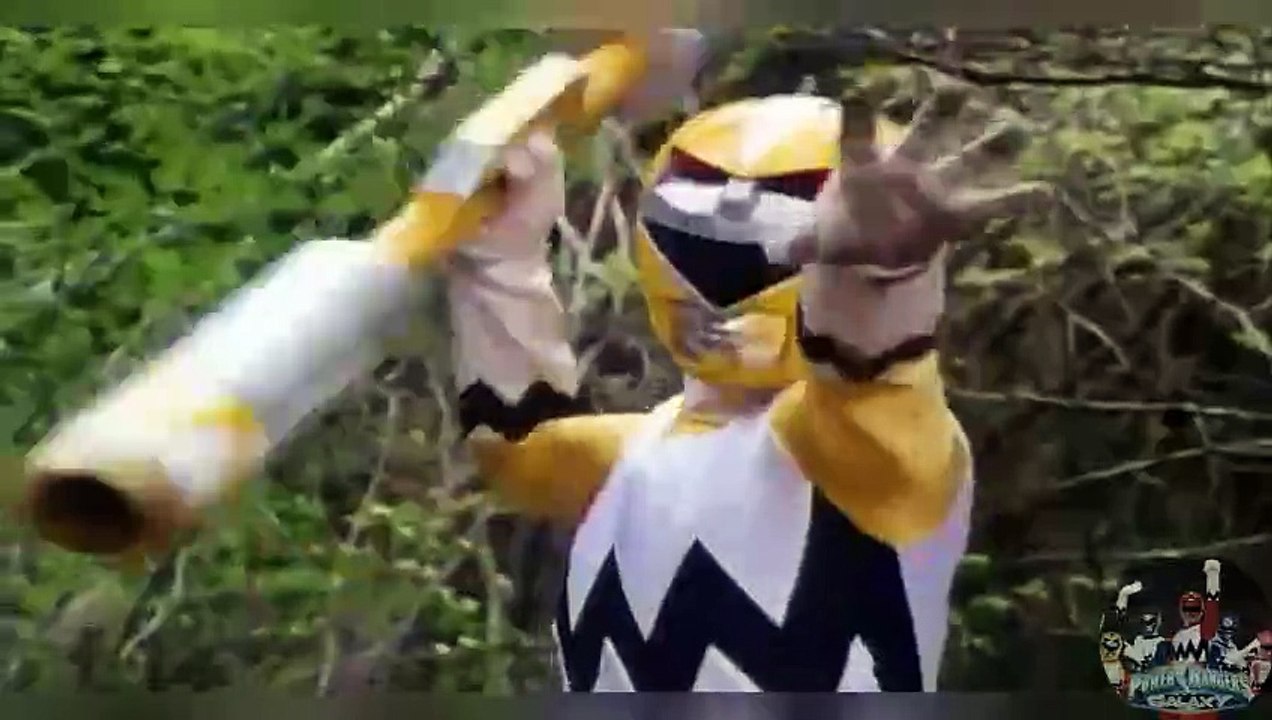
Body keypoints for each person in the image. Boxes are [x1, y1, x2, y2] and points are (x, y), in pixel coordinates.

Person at [441, 54, 1048, 690]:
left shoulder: (865, 454)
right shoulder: (643, 450)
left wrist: (878, 278)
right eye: (694, 228)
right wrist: (501, 248)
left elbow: (871, 382)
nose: (724, 266)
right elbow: (519, 444)